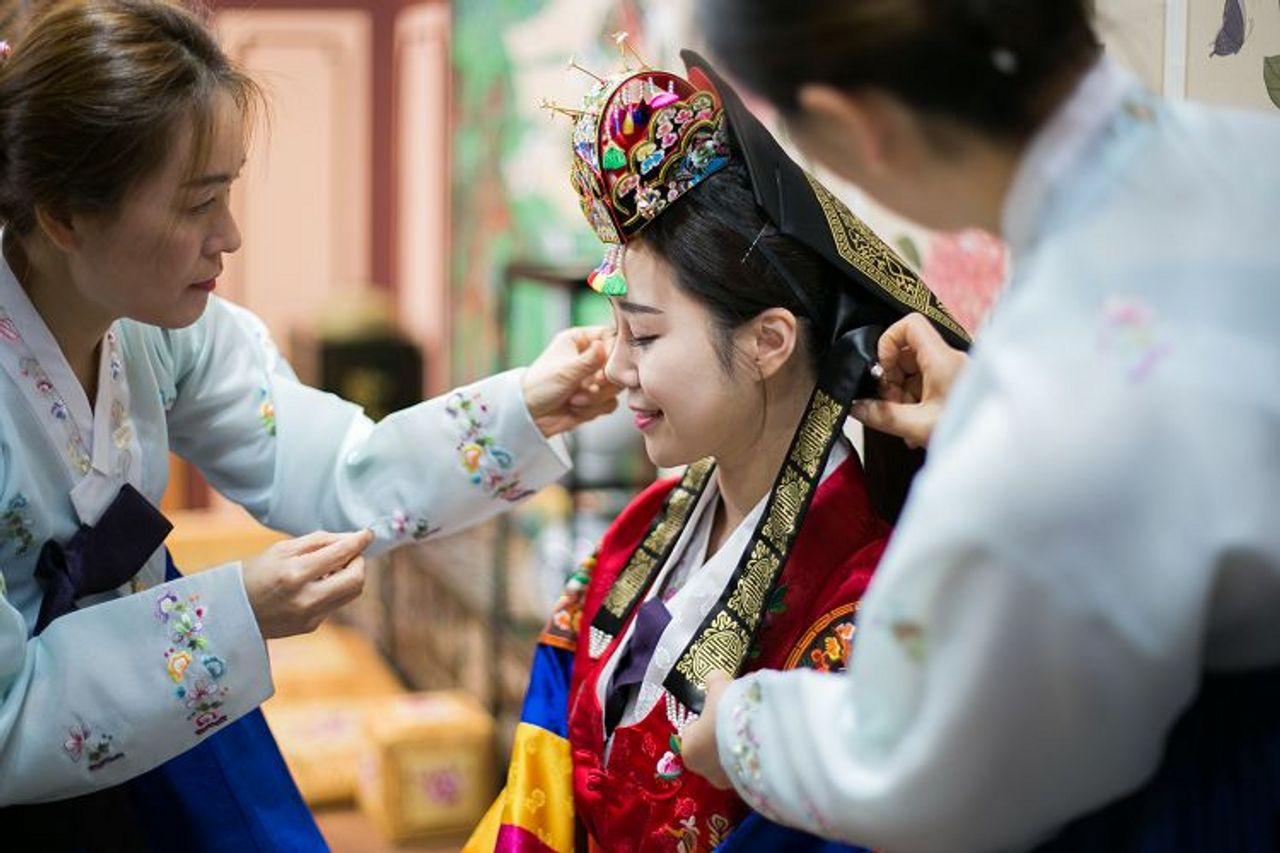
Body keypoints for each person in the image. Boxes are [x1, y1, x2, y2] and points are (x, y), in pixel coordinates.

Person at [0, 0, 617, 847]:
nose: (231, 236)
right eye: (197, 203)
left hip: (148, 712)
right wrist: (231, 612)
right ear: (65, 215)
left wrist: (528, 402)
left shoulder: (153, 334)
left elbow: (336, 468)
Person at [678, 1, 1280, 850]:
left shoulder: (1042, 407)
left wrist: (743, 732)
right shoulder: (1253, 156)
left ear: (861, 127)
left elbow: (919, 766)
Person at [464, 45, 968, 853]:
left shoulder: (865, 610)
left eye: (647, 335)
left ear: (769, 339)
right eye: (617, 330)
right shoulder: (637, 535)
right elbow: (539, 789)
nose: (617, 366)